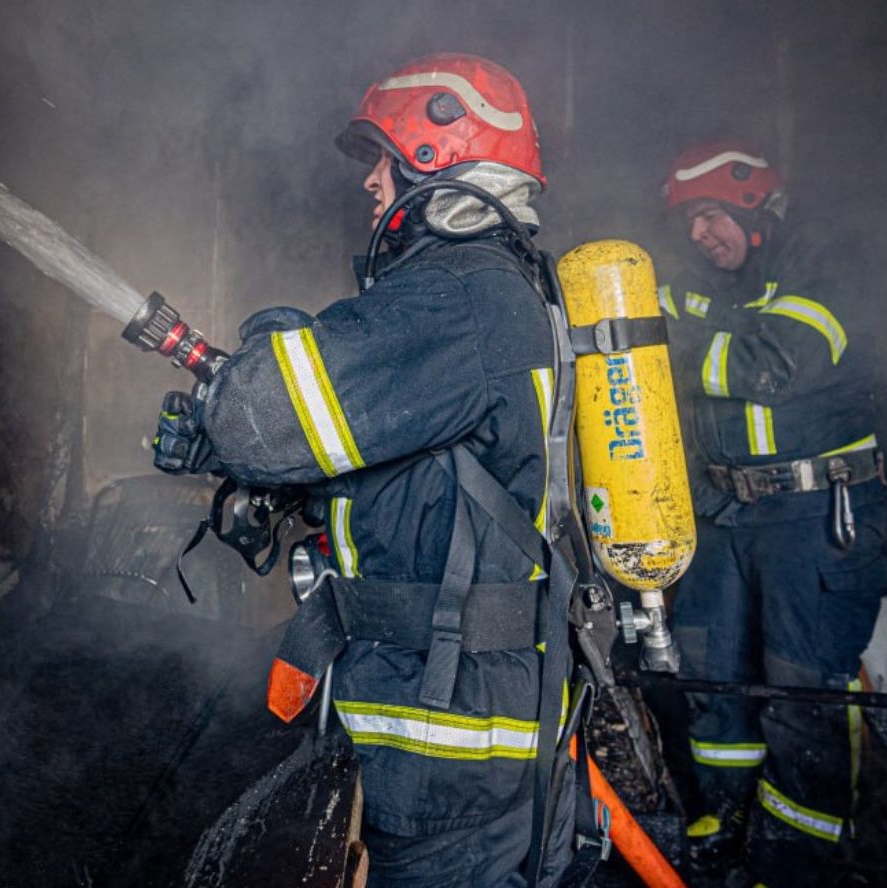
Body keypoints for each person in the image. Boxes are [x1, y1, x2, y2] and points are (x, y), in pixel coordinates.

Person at [158, 54, 582, 885]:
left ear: (436, 157)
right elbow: (405, 468)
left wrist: (245, 387)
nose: (370, 184)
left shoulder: (455, 297)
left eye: (383, 159)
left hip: (445, 727)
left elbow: (264, 419)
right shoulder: (494, 290)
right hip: (457, 695)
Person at [657, 143, 886, 883]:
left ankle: (799, 858)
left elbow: (770, 366)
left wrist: (669, 348)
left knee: (800, 691)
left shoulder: (829, 263)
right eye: (690, 221)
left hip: (816, 513)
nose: (698, 235)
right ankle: (726, 822)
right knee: (712, 677)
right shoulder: (701, 282)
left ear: (755, 209)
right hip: (722, 513)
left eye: (710, 215)